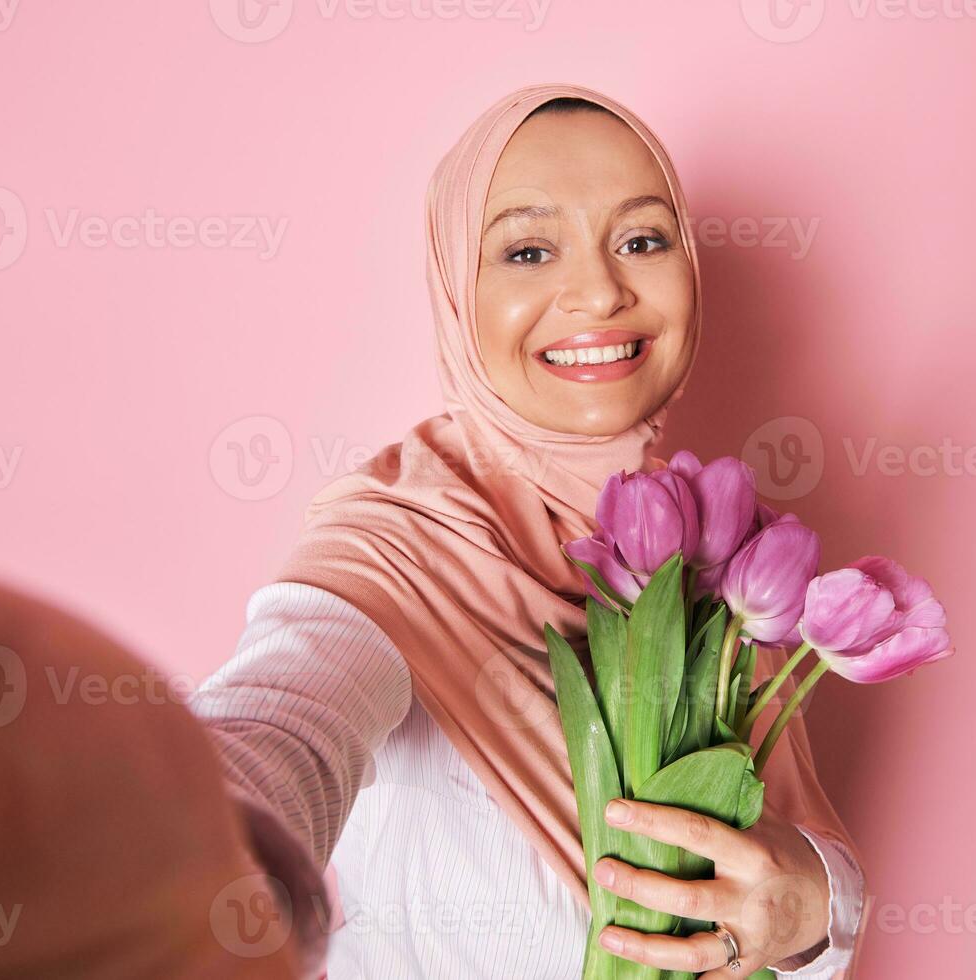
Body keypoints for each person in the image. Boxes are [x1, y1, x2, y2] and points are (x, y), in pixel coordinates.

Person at [189, 84, 867, 978]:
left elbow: (785, 887)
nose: (597, 291)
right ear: (453, 290)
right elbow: (282, 725)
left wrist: (818, 906)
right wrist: (177, 844)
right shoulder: (397, 544)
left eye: (640, 239)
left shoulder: (716, 556)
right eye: (527, 249)